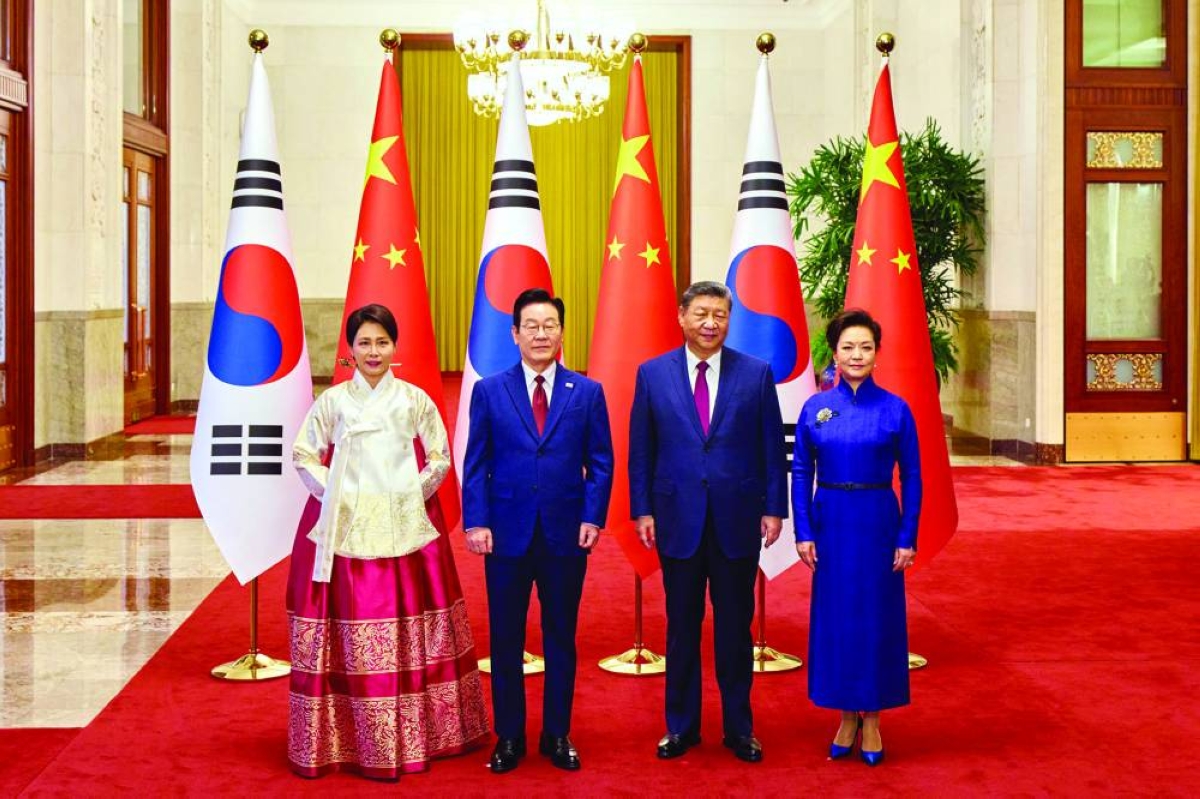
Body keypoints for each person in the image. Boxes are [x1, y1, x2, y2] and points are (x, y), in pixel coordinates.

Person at [287, 303, 489, 780]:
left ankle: (425, 733)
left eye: (382, 342)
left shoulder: (414, 399)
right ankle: (344, 738)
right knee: (347, 628)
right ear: (350, 350)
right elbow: (302, 454)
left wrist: (402, 498)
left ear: (394, 347)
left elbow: (439, 457)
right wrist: (337, 493)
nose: (373, 351)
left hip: (404, 531)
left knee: (410, 625)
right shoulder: (333, 402)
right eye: (364, 342)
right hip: (345, 529)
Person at [629, 280, 787, 764]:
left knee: (735, 629)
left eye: (719, 314)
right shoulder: (652, 374)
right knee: (681, 627)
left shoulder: (756, 374)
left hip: (737, 520)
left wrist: (774, 508)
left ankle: (739, 728)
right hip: (677, 519)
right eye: (701, 313)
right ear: (682, 316)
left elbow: (770, 449)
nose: (710, 323)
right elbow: (641, 449)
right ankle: (681, 727)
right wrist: (643, 508)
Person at [462, 287, 614, 774]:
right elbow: (476, 462)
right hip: (504, 535)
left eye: (550, 325)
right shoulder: (490, 390)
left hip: (566, 535)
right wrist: (477, 520)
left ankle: (557, 733)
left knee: (561, 639)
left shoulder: (586, 393)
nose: (542, 334)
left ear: (562, 332)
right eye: (532, 325)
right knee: (505, 640)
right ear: (515, 334)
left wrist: (592, 516)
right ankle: (509, 737)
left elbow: (601, 462)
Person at [791, 308, 921, 767]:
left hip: (877, 521)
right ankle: (846, 714)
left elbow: (913, 476)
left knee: (877, 620)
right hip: (830, 521)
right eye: (848, 346)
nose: (857, 354)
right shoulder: (815, 407)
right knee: (837, 620)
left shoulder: (895, 408)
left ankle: (874, 720)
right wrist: (803, 530)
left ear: (877, 353)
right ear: (834, 353)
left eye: (866, 346)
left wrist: (907, 536)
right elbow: (801, 470)